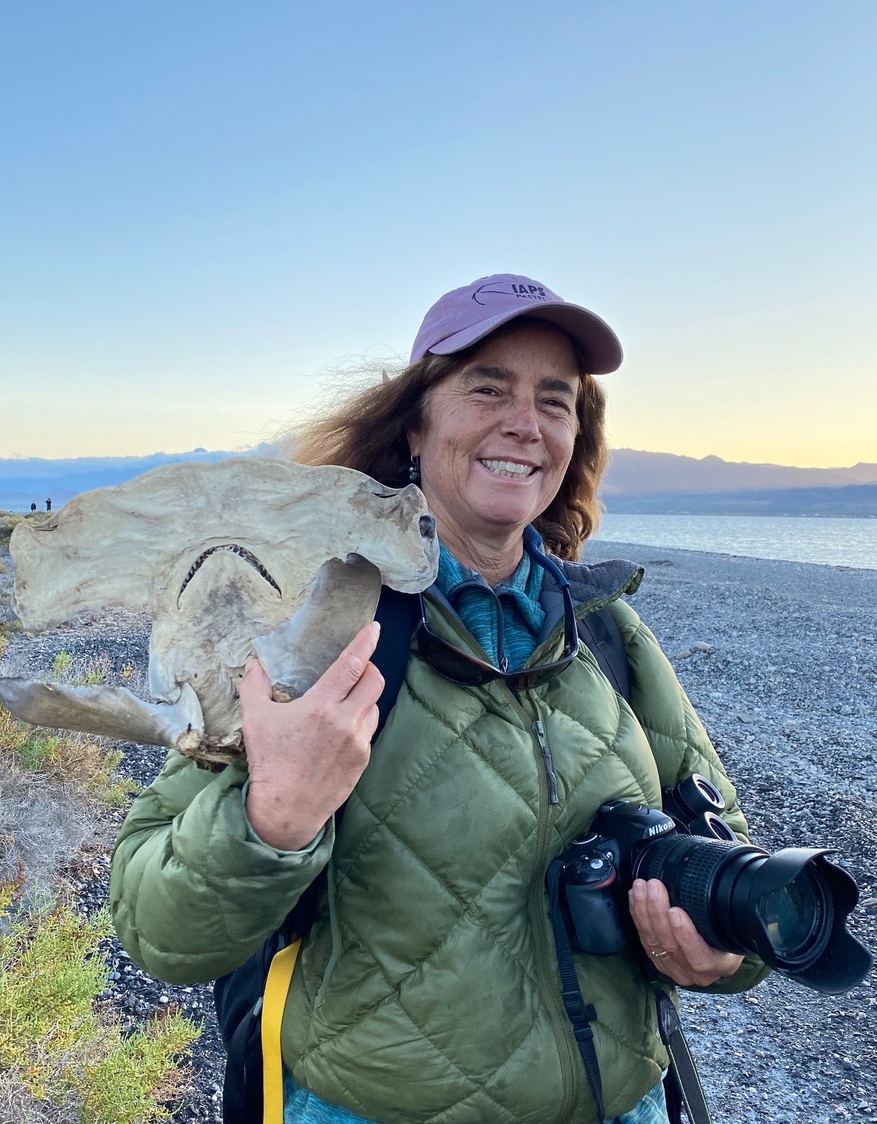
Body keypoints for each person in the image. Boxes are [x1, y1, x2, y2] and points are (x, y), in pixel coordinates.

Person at [111, 273, 767, 1123]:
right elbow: (158, 928)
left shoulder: (608, 635)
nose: (523, 424)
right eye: (486, 387)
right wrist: (271, 821)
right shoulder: (311, 624)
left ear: (576, 437)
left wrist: (722, 949)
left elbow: (727, 852)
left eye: (554, 401)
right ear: (416, 421)